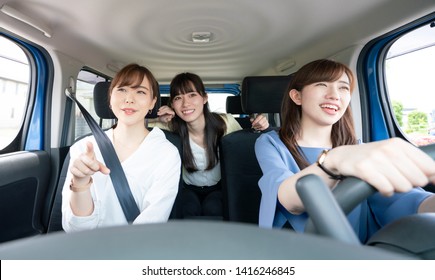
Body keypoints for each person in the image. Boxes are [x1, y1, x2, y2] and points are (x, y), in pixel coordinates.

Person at [255, 59, 435, 242]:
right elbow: (286, 198)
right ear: (297, 97)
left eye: (343, 88)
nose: (335, 95)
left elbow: (403, 199)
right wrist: (332, 161)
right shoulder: (271, 143)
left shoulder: (359, 150)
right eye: (321, 84)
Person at [62, 63, 181, 232]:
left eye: (140, 92)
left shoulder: (166, 154)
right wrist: (80, 183)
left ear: (152, 102)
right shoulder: (82, 148)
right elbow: (75, 230)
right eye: (122, 90)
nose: (129, 99)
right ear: (110, 97)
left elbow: (149, 228)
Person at [155, 72, 269, 218]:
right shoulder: (168, 128)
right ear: (172, 105)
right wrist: (159, 120)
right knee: (185, 209)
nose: (185, 104)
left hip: (220, 187)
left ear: (204, 98)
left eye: (192, 95)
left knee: (214, 208)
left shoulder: (226, 123)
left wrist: (262, 128)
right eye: (178, 98)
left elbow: (246, 151)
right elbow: (140, 134)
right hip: (186, 188)